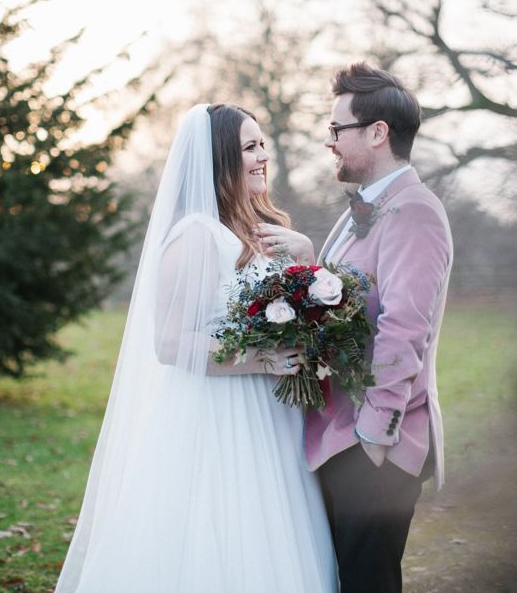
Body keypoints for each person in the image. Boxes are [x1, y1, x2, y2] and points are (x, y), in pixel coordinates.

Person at [55, 103, 337, 592]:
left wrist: (306, 254)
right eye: (250, 147)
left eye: (262, 144)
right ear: (220, 160)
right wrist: (262, 358)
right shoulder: (197, 237)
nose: (263, 156)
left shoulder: (261, 230)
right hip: (220, 417)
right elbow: (169, 342)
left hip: (271, 420)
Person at [305, 62, 453, 593]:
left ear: (377, 133)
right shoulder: (358, 213)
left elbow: (404, 330)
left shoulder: (415, 212)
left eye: (336, 129)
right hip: (340, 438)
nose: (330, 142)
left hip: (376, 446)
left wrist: (373, 438)